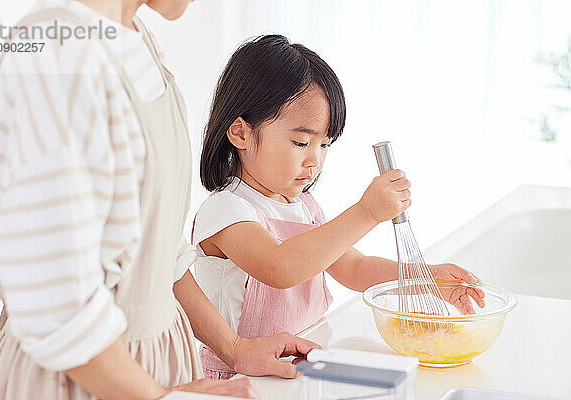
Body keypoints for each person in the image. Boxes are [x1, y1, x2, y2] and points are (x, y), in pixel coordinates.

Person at [0, 2, 320, 399]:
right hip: (81, 382)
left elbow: (158, 252)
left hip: (150, 373)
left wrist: (236, 349)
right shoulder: (55, 53)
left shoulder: (135, 39)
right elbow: (58, 308)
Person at [192, 35, 487, 379]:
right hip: (239, 376)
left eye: (325, 144)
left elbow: (356, 269)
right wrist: (367, 212)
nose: (314, 160)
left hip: (303, 361)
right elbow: (279, 267)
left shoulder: (304, 207)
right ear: (240, 133)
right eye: (301, 142)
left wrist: (427, 278)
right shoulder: (226, 211)